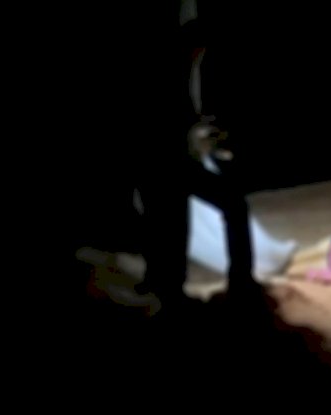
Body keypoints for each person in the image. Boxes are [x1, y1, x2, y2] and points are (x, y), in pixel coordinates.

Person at [133, 3, 263, 313]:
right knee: (212, 210)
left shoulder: (185, 67)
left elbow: (189, 116)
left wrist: (204, 129)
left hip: (166, 157)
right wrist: (203, 134)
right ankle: (236, 284)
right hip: (165, 158)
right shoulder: (172, 70)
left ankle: (164, 284)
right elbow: (174, 119)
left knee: (167, 220)